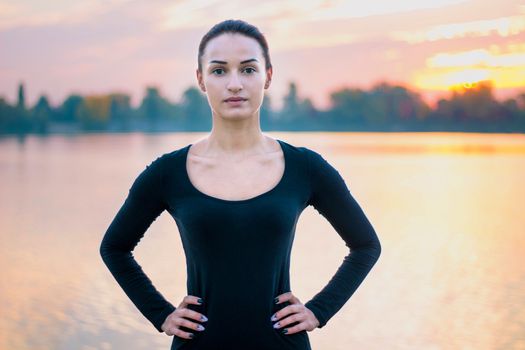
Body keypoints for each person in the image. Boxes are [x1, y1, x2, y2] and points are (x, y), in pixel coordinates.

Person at [99, 19, 381, 350]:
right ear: (201, 80)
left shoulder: (305, 168)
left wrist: (319, 310)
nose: (235, 84)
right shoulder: (168, 173)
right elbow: (115, 248)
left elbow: (365, 246)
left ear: (268, 77)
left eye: (248, 70)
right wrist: (160, 314)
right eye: (219, 71)